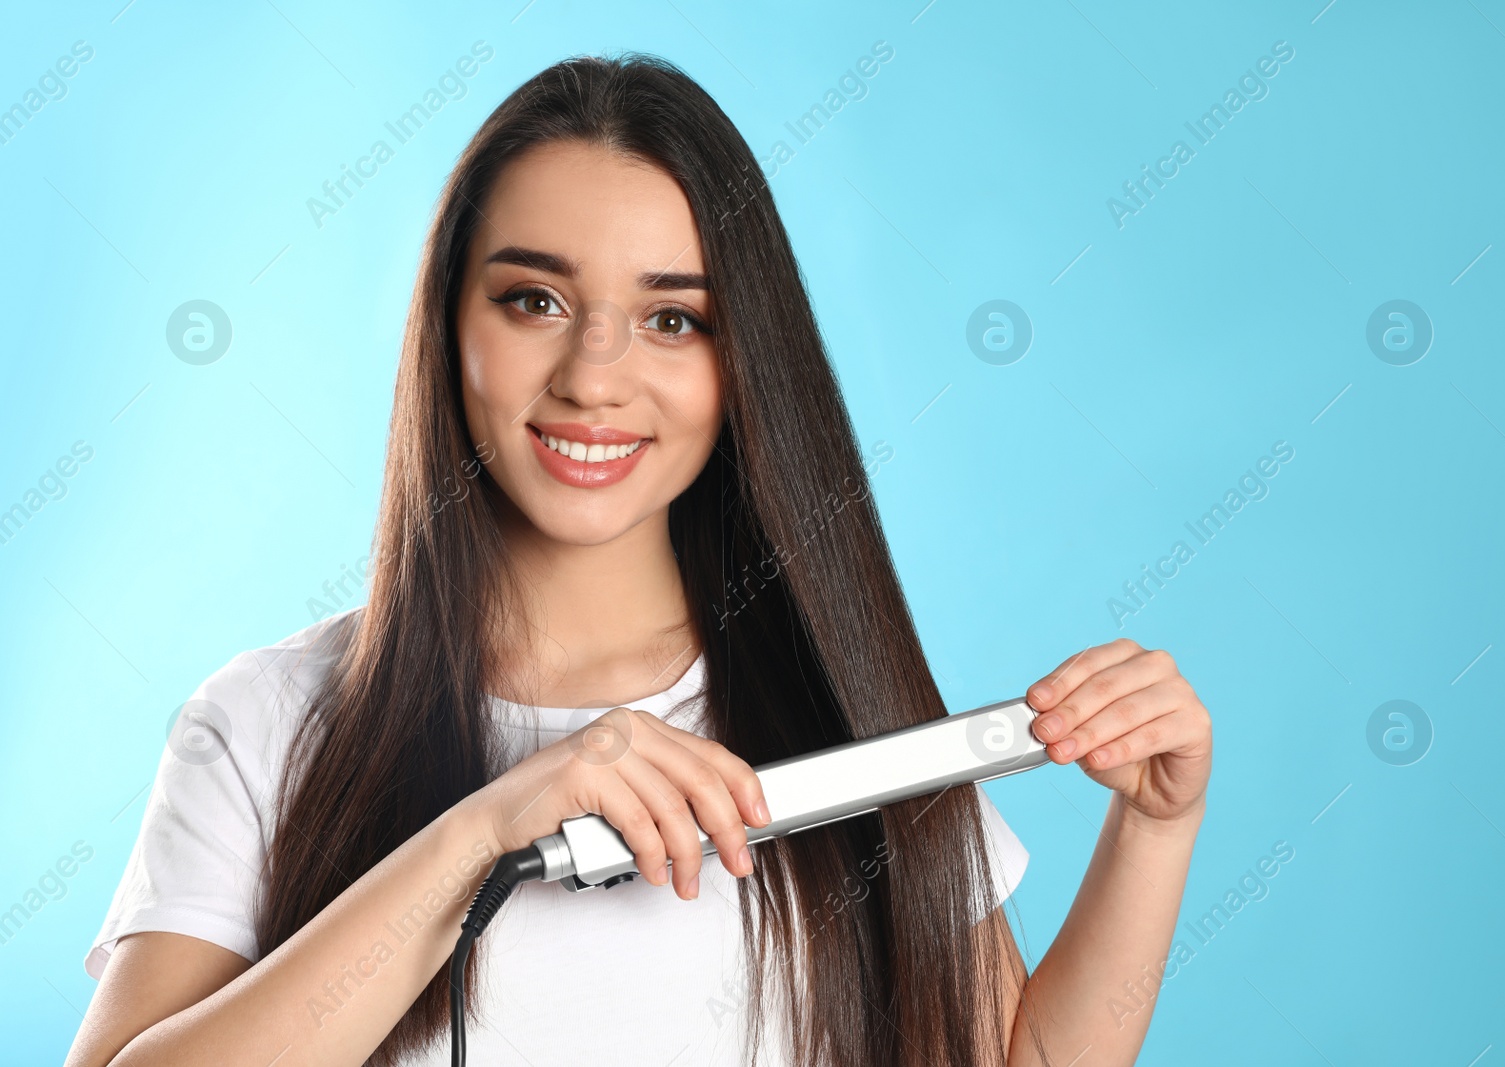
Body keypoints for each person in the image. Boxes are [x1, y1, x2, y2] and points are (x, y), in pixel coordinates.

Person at [65, 53, 1212, 1067]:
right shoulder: (269, 718)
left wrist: (1154, 831)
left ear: (740, 358)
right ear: (447, 325)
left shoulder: (836, 702)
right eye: (534, 300)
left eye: (672, 318)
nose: (594, 374)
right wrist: (482, 832)